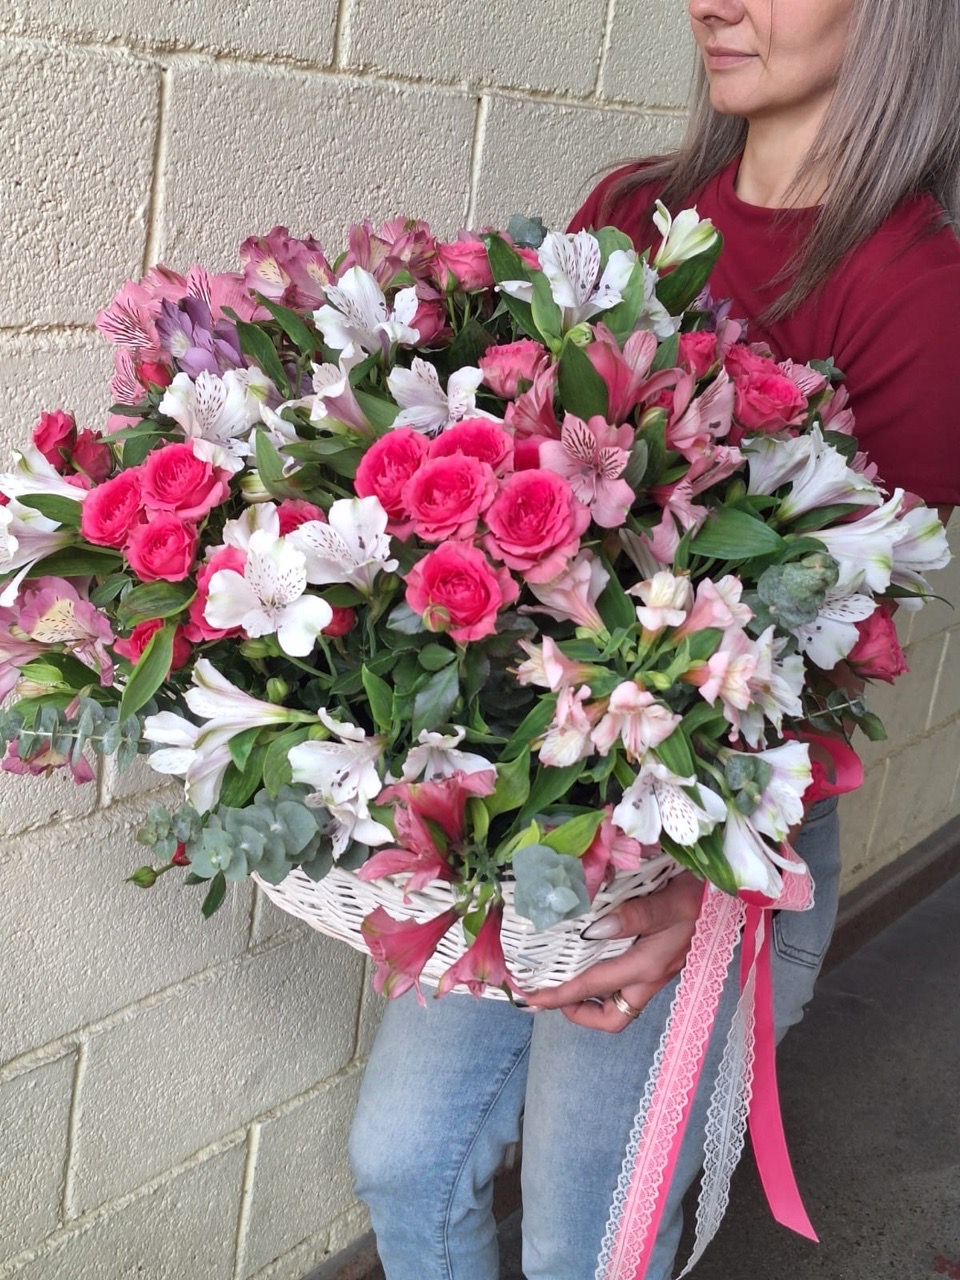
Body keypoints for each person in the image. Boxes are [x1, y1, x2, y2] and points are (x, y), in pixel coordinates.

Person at [348, 2, 960, 1277]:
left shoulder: (919, 291)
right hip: (532, 809)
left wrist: (698, 889)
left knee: (588, 1243)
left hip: (720, 844)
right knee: (407, 1158)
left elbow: (832, 662)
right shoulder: (633, 210)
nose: (714, 2)